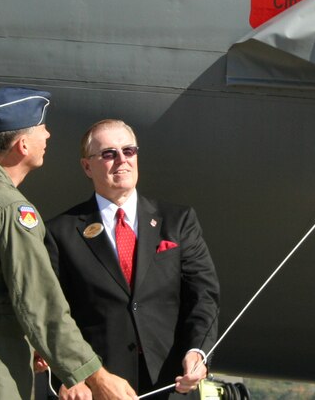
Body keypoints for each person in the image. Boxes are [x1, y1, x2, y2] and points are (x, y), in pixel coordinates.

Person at [0, 87, 137, 400]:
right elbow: (40, 302)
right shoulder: (11, 207)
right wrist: (95, 377)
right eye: (40, 129)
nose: (47, 135)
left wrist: (32, 345)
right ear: (21, 145)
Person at [41, 119, 220, 399]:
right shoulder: (59, 232)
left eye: (129, 151)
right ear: (87, 166)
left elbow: (203, 296)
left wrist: (198, 352)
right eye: (109, 154)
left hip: (171, 385)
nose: (122, 160)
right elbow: (51, 313)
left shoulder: (178, 222)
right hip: (98, 389)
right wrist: (68, 375)